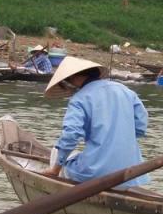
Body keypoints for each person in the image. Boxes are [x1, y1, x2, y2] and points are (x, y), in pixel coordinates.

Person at [42, 57, 149, 188]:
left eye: (68, 81)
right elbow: (141, 127)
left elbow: (71, 135)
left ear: (75, 78)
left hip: (95, 173)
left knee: (56, 152)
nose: (70, 84)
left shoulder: (79, 99)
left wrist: (55, 169)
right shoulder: (126, 91)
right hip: (131, 172)